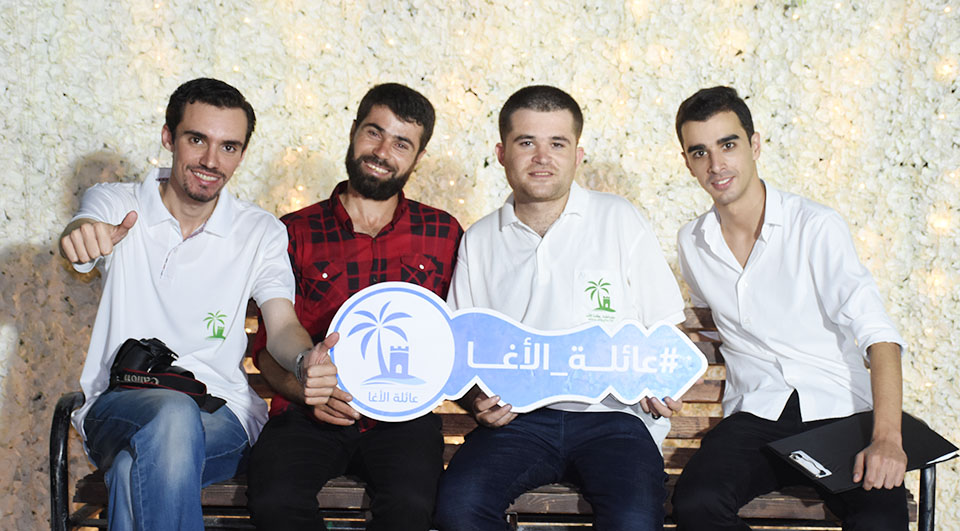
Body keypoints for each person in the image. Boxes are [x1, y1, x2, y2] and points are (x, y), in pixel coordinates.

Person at [59, 78, 339, 531]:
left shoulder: (260, 231)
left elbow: (283, 324)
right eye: (197, 140)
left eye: (229, 147)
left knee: (134, 468)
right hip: (121, 404)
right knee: (171, 415)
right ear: (168, 137)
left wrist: (304, 359)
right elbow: (84, 227)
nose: (212, 161)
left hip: (222, 414)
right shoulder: (117, 202)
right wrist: (81, 236)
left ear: (242, 154)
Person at [433, 85, 686, 530]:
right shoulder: (480, 239)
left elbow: (665, 327)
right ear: (501, 153)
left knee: (634, 520)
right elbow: (461, 350)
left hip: (615, 419)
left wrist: (662, 382)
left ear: (577, 155)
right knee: (458, 507)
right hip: (518, 421)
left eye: (557, 143)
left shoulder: (619, 218)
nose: (542, 157)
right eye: (526, 142)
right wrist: (476, 404)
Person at [670, 86, 908, 530]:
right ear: (687, 162)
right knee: (697, 503)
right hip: (755, 416)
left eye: (728, 145)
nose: (716, 165)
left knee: (881, 520)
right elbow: (711, 326)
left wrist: (887, 440)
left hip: (838, 411)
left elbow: (880, 337)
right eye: (700, 152)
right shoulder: (693, 242)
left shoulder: (815, 227)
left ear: (754, 144)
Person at [245, 83, 463, 531]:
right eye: (374, 132)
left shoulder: (443, 233)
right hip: (307, 414)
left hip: (403, 418)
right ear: (353, 131)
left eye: (401, 143)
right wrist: (305, 392)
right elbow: (266, 351)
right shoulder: (294, 231)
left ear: (418, 157)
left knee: (411, 506)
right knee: (275, 500)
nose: (382, 152)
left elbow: (458, 336)